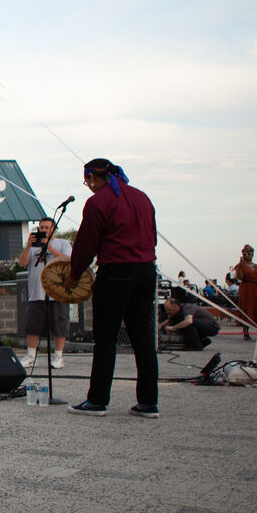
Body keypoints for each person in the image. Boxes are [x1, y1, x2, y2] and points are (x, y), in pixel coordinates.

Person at [63, 158, 160, 418]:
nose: (88, 187)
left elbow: (86, 243)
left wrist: (74, 274)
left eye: (88, 182)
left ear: (94, 178)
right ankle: (149, 403)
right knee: (143, 338)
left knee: (105, 338)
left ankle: (97, 400)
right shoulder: (141, 197)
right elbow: (152, 234)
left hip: (116, 270)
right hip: (147, 270)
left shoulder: (98, 202)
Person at [17, 216, 72, 369]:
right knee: (33, 325)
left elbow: (68, 261)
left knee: (59, 324)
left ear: (53, 229)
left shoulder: (63, 243)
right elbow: (22, 262)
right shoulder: (34, 246)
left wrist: (50, 249)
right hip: (37, 292)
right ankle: (30, 356)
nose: (44, 230)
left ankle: (58, 356)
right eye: (41, 228)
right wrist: (28, 246)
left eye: (47, 228)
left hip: (57, 291)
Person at [231, 245, 257, 339]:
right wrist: (240, 266)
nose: (247, 255)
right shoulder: (240, 266)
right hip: (246, 289)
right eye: (245, 254)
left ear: (252, 254)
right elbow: (240, 277)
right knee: (247, 308)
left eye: (249, 253)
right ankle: (246, 333)